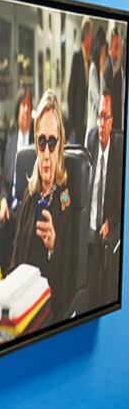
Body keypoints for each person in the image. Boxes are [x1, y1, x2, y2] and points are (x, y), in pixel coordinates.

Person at [10, 90, 73, 323]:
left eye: (52, 142)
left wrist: (53, 246)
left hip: (48, 312)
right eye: (42, 142)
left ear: (60, 146)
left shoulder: (67, 201)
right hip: (19, 305)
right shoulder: (29, 196)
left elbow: (68, 287)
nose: (46, 154)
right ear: (36, 145)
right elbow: (15, 261)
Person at [86, 90, 123, 310]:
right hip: (88, 227)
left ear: (112, 121)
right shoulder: (90, 140)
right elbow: (78, 181)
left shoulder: (119, 151)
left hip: (104, 230)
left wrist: (110, 220)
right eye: (99, 115)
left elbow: (120, 199)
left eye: (105, 117)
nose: (101, 122)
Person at [0, 86, 33, 271]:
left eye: (29, 105)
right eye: (23, 105)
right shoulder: (10, 143)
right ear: (17, 110)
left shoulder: (36, 143)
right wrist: (3, 201)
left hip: (27, 209)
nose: (26, 110)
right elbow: (4, 182)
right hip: (10, 208)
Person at [67, 18, 91, 145]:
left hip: (86, 120)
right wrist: (72, 127)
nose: (91, 39)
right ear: (86, 36)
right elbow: (71, 93)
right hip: (77, 122)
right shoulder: (77, 58)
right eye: (90, 34)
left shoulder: (89, 60)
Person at [85, 27, 107, 147]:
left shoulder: (98, 70)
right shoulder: (94, 69)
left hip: (98, 129)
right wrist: (102, 72)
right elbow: (100, 102)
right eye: (103, 50)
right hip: (93, 128)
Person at [102, 27, 125, 131]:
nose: (117, 52)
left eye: (118, 48)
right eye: (115, 47)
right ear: (110, 47)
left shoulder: (112, 68)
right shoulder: (108, 69)